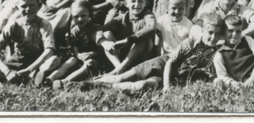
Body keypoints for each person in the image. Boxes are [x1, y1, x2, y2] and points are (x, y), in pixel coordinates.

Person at [82, 13, 222, 92]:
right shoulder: (190, 43)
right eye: (210, 33)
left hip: (174, 77)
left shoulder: (214, 52)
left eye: (217, 34)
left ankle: (104, 87)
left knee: (142, 86)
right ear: (202, 31)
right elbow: (169, 63)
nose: (213, 38)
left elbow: (209, 73)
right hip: (161, 64)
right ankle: (81, 84)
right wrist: (167, 85)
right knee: (121, 77)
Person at [0, 0, 61, 84]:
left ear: (39, 6)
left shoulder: (44, 24)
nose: (28, 9)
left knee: (55, 60)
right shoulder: (13, 25)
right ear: (17, 8)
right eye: (24, 6)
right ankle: (23, 79)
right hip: (16, 64)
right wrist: (7, 71)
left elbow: (49, 50)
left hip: (37, 64)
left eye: (32, 5)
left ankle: (29, 77)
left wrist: (29, 69)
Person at [42, 0, 103, 87]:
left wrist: (91, 54)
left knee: (89, 63)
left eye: (83, 15)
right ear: (71, 17)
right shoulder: (72, 32)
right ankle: (50, 79)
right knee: (71, 60)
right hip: (79, 58)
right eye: (76, 16)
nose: (80, 19)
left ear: (90, 15)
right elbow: (75, 51)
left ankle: (64, 82)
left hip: (94, 58)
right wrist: (79, 56)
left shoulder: (96, 29)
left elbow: (102, 52)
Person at [96, 0, 156, 75]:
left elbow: (151, 28)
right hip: (125, 56)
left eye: (140, 1)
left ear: (145, 3)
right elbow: (98, 30)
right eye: (133, 1)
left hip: (142, 55)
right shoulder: (123, 17)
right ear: (126, 4)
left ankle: (120, 70)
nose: (137, 4)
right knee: (106, 34)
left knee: (143, 37)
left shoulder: (148, 15)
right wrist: (103, 41)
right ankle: (119, 67)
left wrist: (129, 39)